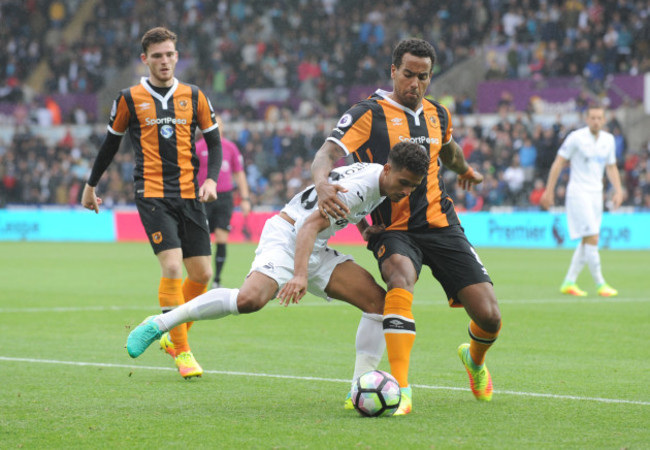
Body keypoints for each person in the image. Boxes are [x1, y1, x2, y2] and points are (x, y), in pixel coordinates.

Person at [126, 142, 430, 416]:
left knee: (378, 303)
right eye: (403, 183)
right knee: (250, 300)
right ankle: (159, 324)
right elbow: (309, 226)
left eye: (413, 187)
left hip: (315, 246)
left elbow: (342, 205)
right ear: (389, 170)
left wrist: (363, 229)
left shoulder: (380, 178)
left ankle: (358, 388)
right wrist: (299, 276)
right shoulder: (364, 187)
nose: (406, 191)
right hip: (288, 236)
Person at [311, 38, 502, 411]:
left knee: (489, 315)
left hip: (441, 224)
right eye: (409, 74)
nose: (415, 83)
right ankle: (401, 388)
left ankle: (474, 361)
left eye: (424, 76)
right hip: (392, 228)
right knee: (399, 277)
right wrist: (322, 182)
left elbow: (447, 149)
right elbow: (328, 151)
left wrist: (465, 170)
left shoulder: (437, 114)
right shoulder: (368, 113)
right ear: (394, 71)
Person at [81, 27, 223, 379]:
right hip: (153, 193)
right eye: (156, 55)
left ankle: (172, 333)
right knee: (172, 267)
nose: (164, 61)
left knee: (203, 274)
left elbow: (215, 142)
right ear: (145, 60)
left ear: (177, 56)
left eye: (169, 54)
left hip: (190, 194)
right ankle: (184, 352)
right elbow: (110, 144)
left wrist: (210, 179)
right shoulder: (129, 98)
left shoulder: (195, 95)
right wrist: (90, 185)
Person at [540, 105, 623, 297]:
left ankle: (569, 281)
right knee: (593, 237)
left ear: (604, 120)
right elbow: (559, 162)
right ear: (587, 119)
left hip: (596, 195)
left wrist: (618, 190)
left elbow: (611, 167)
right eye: (592, 117)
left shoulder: (608, 140)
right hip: (578, 193)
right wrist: (549, 190)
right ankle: (601, 284)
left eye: (599, 118)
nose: (596, 121)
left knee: (587, 240)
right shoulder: (576, 137)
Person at [196, 117, 251, 289]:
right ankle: (202, 275)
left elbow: (239, 173)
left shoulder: (230, 148)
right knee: (203, 240)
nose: (216, 128)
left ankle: (217, 280)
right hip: (203, 197)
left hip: (225, 197)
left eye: (219, 124)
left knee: (221, 237)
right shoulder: (198, 147)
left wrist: (245, 198)